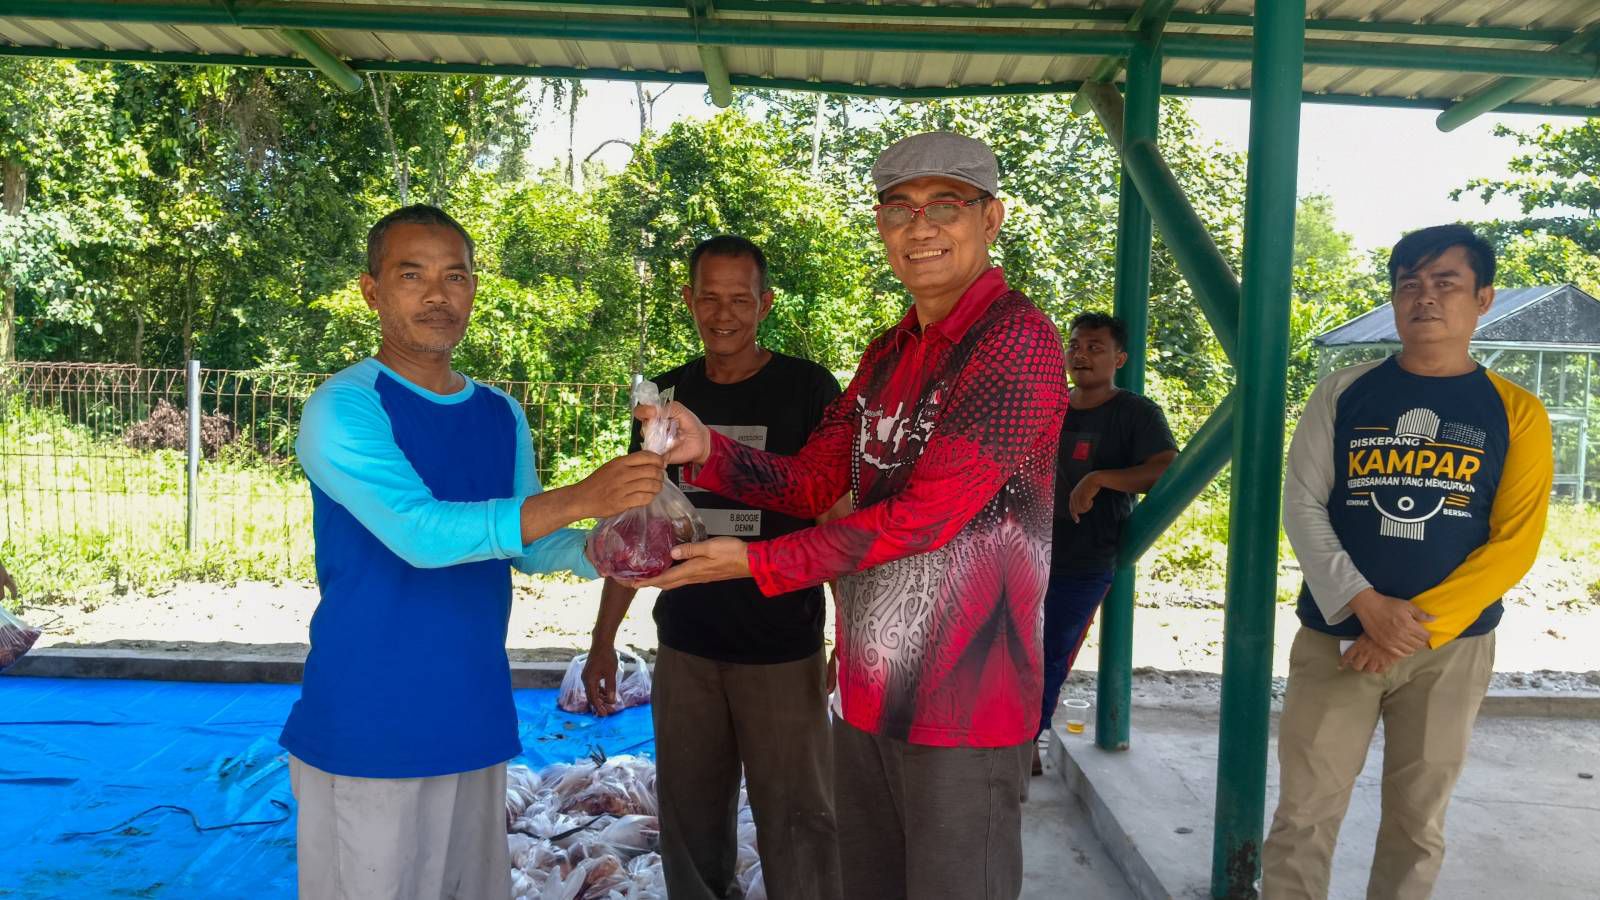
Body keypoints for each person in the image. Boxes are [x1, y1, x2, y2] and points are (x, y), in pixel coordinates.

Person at [631, 132, 1069, 900]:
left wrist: (759, 564)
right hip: (868, 695)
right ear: (882, 228)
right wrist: (706, 451)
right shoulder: (888, 353)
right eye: (900, 208)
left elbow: (927, 516)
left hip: (967, 703)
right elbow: (811, 483)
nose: (921, 226)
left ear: (991, 218)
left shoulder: (1017, 341)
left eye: (946, 205)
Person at [281, 204, 665, 900]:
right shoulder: (344, 408)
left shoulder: (499, 412)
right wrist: (586, 495)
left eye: (454, 276)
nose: (437, 294)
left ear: (473, 289)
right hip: (371, 720)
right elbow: (424, 534)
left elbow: (531, 545)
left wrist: (627, 546)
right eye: (412, 275)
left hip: (472, 712)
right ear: (372, 292)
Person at [1262, 224, 1552, 900]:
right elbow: (1304, 508)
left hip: (1450, 652)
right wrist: (1366, 608)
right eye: (1408, 284)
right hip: (1338, 640)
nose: (1425, 297)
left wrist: (1411, 627)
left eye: (1445, 282)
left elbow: (1514, 541)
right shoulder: (1342, 393)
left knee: (1417, 824)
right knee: (1303, 816)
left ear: (1484, 298)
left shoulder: (1517, 412)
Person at [581, 235, 843, 899]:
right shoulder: (666, 395)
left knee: (799, 820)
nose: (722, 314)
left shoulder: (806, 389)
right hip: (688, 646)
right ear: (688, 300)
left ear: (766, 304)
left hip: (782, 649)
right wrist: (602, 640)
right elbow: (635, 522)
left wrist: (850, 629)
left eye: (739, 299)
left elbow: (834, 516)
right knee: (690, 820)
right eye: (708, 297)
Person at [1034, 312, 1176, 774]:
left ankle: (1020, 747)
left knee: (1049, 655)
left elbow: (1166, 468)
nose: (1081, 355)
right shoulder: (1046, 405)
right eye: (1075, 345)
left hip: (1083, 560)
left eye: (1095, 347)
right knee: (1004, 650)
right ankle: (999, 743)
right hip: (1023, 552)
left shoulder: (1135, 412)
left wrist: (1100, 478)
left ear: (1120, 357)